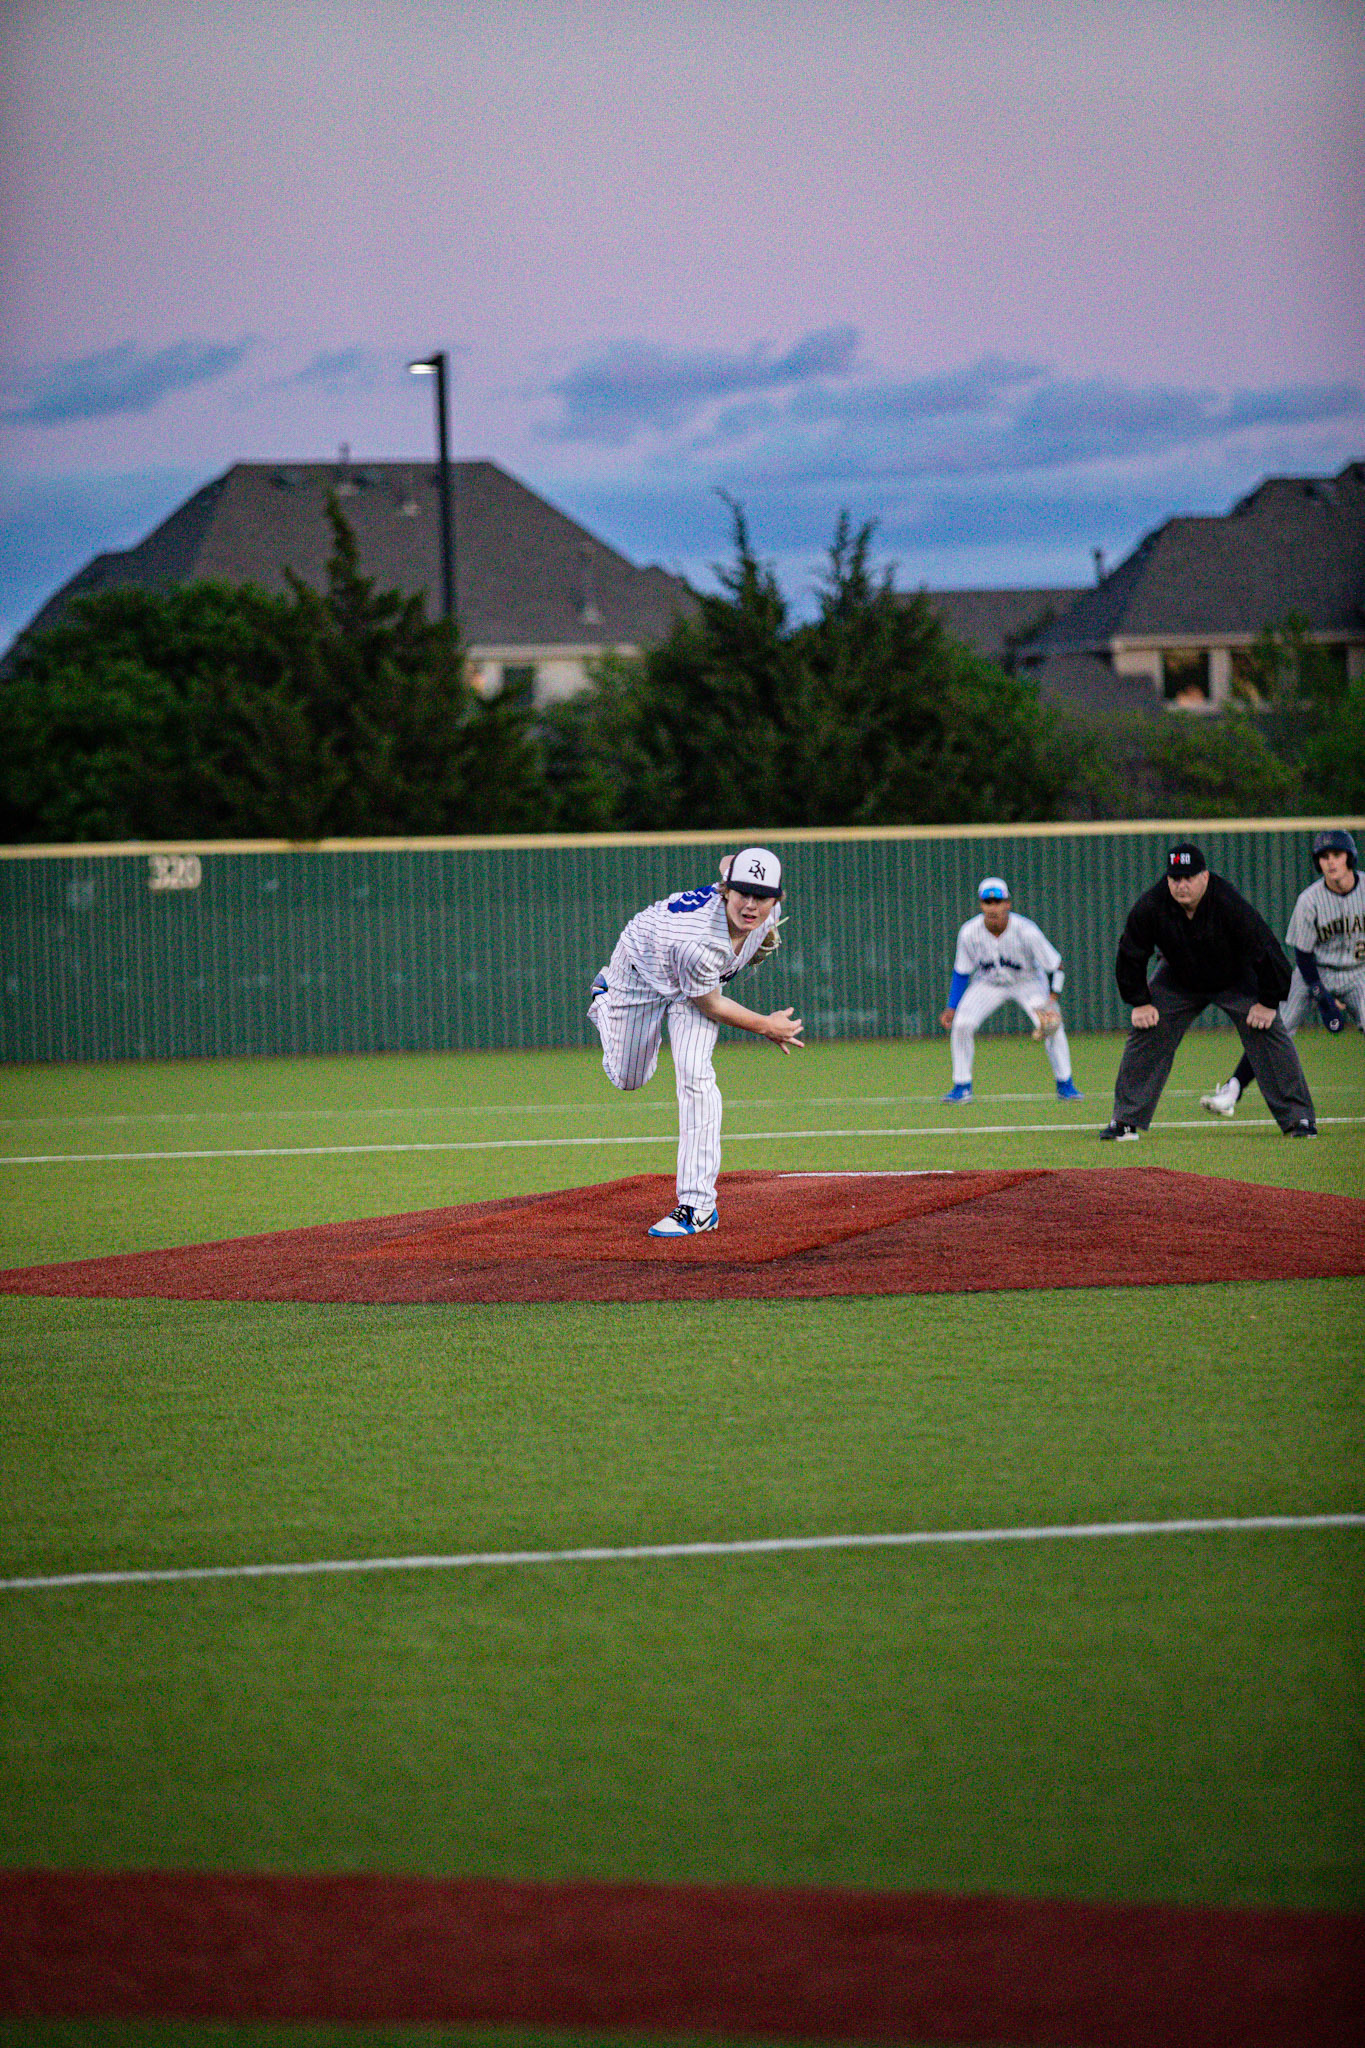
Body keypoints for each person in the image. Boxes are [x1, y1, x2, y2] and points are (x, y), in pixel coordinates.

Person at [588, 847, 804, 1236]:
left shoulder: (763, 911)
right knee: (628, 1078)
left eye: (761, 896)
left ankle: (697, 1206)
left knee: (695, 1075)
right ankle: (604, 999)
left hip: (697, 982)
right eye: (742, 892)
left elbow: (729, 862)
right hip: (641, 970)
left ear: (776, 898)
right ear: (726, 890)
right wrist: (766, 1026)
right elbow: (712, 1005)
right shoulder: (698, 942)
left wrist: (737, 872)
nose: (750, 904)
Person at [1100, 841, 1317, 1140]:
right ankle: (1124, 1121)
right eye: (1175, 878)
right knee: (1147, 1030)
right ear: (1167, 880)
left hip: (1235, 976)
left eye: (1189, 877)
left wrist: (1268, 1002)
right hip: (1178, 978)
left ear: (1204, 876)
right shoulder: (1153, 904)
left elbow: (1265, 947)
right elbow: (1131, 951)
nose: (1181, 885)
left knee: (1269, 1030)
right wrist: (1139, 1001)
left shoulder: (1227, 901)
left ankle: (1299, 1119)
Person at [1201, 828, 1364, 1118]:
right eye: (1324, 856)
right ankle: (1232, 1090)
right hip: (1314, 971)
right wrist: (1324, 999)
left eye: (1337, 854)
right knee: (1273, 1027)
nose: (1330, 861)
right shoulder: (1310, 900)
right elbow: (1304, 956)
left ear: (1349, 857)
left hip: (1358, 972)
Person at [938, 876, 1081, 1103]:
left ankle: (1066, 1084)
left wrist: (1052, 1000)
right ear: (981, 905)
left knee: (1052, 1025)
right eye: (988, 902)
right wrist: (951, 1006)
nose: (992, 907)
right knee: (962, 1024)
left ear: (1007, 904)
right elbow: (961, 972)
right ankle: (962, 1087)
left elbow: (1056, 966)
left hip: (1028, 982)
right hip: (988, 983)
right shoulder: (969, 932)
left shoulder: (1026, 930)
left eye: (997, 901)